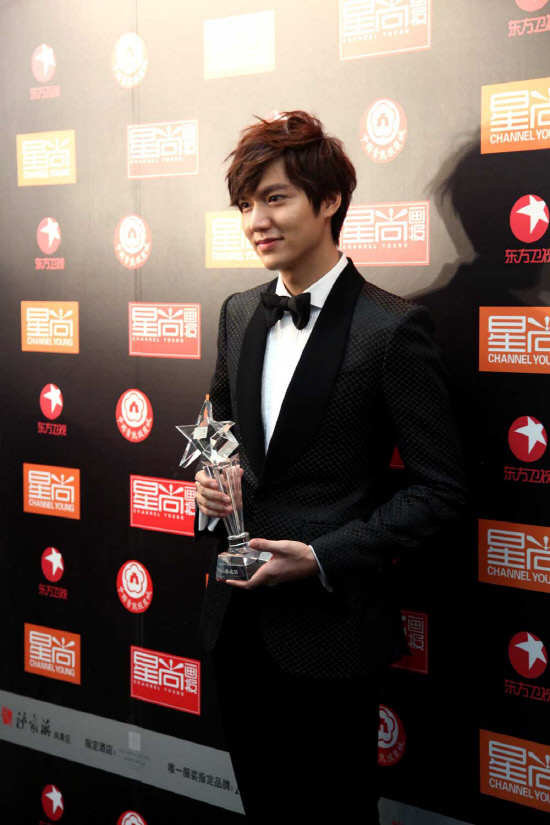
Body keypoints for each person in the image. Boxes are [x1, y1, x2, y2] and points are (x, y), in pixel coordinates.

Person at [194, 111, 465, 823]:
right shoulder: (237, 313)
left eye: (275, 198)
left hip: (332, 634)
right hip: (236, 626)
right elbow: (218, 434)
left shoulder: (391, 328)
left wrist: (319, 557)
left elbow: (440, 490)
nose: (256, 221)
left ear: (329, 201)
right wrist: (208, 488)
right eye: (245, 204)